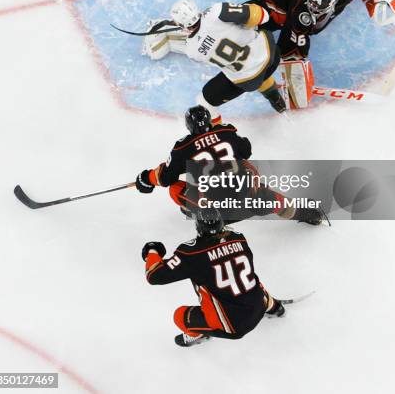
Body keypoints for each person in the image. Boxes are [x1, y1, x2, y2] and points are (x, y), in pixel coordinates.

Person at [249, 0, 395, 108]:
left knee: (387, 7)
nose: (315, 16)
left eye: (319, 12)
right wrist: (297, 88)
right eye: (313, 12)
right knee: (260, 20)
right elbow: (292, 61)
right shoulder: (301, 20)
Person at [135, 105, 323, 225]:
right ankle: (306, 213)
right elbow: (246, 149)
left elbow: (165, 178)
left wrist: (146, 178)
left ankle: (207, 224)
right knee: (250, 175)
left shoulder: (182, 147)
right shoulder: (227, 132)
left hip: (219, 213)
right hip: (249, 201)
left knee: (175, 189)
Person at [142, 207, 288, 347]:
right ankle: (275, 307)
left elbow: (154, 276)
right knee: (247, 280)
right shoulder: (239, 239)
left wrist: (152, 250)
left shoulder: (190, 253)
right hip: (259, 306)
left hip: (234, 327)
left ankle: (197, 334)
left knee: (179, 316)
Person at [143, 0, 287, 117]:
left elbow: (202, 38)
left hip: (250, 81)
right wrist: (245, 22)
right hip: (272, 56)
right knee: (251, 27)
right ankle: (274, 96)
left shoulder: (192, 50)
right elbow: (262, 16)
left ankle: (218, 135)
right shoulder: (216, 12)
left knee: (205, 102)